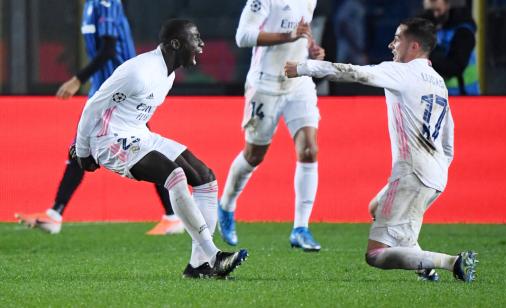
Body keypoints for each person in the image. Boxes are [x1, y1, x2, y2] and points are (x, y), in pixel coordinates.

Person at [284, 17, 478, 282]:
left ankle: (453, 262)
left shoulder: (402, 72)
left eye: (397, 38)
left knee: (375, 255)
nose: (391, 44)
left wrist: (304, 67)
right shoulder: (437, 81)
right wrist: (439, 169)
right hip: (435, 174)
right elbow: (448, 139)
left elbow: (353, 72)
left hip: (413, 173)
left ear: (414, 46)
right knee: (377, 207)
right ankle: (425, 266)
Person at [71, 19, 248, 279]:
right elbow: (93, 106)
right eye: (195, 38)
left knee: (205, 177)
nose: (201, 44)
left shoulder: (169, 74)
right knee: (174, 176)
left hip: (139, 134)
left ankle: (199, 266)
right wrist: (84, 151)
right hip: (107, 139)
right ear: (176, 44)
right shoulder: (138, 72)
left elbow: (132, 116)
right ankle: (214, 256)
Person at [15, 0, 183, 236]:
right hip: (105, 88)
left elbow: (109, 50)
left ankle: (174, 214)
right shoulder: (92, 5)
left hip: (121, 89)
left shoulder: (106, 3)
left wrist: (77, 79)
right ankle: (55, 214)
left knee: (136, 147)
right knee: (82, 147)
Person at [217, 0, 325, 252]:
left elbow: (303, 34)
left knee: (310, 149)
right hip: (265, 85)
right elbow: (243, 36)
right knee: (254, 155)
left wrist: (311, 49)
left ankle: (301, 228)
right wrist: (289, 36)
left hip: (298, 81)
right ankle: (227, 206)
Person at [421, 0, 480, 95]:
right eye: (430, 11)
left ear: (447, 4)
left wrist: (425, 59)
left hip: (463, 96)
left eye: (438, 10)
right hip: (437, 97)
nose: (435, 15)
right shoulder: (427, 26)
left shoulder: (463, 31)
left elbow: (455, 66)